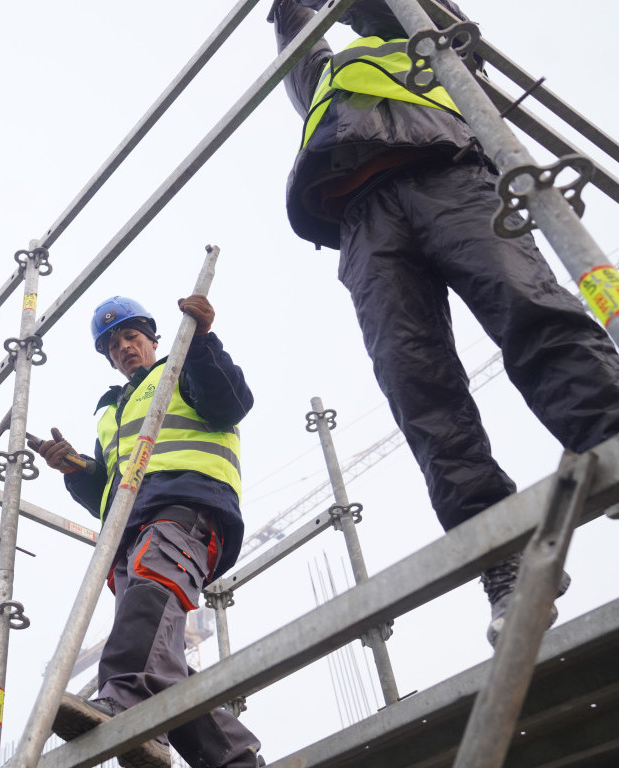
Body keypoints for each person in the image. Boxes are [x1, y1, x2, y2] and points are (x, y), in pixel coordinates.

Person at [268, 0, 619, 645]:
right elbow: (294, 30)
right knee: (417, 385)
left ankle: (613, 435)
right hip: (361, 220)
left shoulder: (434, 44)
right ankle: (501, 557)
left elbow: (418, 11)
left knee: (529, 311)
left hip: (448, 175)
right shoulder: (322, 76)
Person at [34, 295, 264, 768]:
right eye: (113, 346)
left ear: (153, 339)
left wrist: (201, 340)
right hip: (130, 528)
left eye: (131, 337)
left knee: (148, 608)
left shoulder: (181, 366)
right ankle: (234, 760)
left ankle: (121, 703)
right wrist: (74, 469)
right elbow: (110, 485)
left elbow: (230, 403)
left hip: (186, 506)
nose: (123, 348)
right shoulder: (111, 411)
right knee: (161, 658)